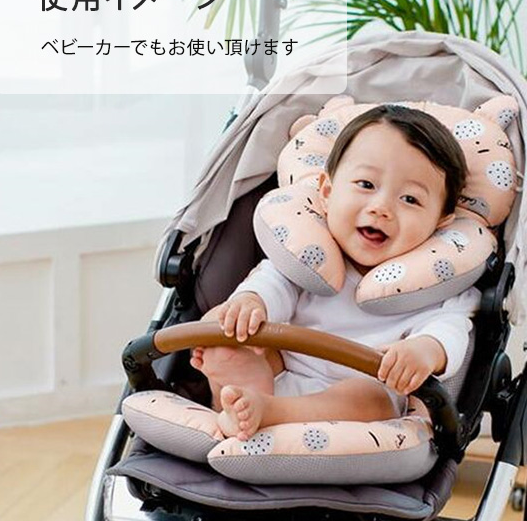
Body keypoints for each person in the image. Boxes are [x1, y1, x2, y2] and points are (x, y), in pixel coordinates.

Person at [191, 104, 481, 440]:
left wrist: (426, 350)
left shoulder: (437, 282)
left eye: (410, 199)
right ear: (327, 192)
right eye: (366, 184)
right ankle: (238, 403)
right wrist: (250, 303)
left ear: (441, 221)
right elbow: (272, 284)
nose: (381, 208)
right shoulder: (308, 257)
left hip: (353, 405)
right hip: (275, 374)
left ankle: (268, 414)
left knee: (371, 396)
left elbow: (451, 330)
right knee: (223, 335)